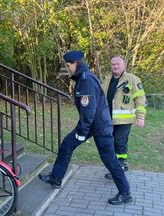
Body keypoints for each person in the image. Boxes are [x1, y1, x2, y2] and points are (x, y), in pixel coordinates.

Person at [38, 51, 132, 205]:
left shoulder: (86, 80)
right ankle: (56, 178)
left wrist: (81, 133)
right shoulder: (84, 78)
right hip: (92, 124)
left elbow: (89, 110)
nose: (68, 68)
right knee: (67, 144)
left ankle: (125, 192)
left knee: (109, 159)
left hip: (99, 127)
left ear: (76, 63)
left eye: (68, 65)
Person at [103, 55, 147, 179]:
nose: (115, 66)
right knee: (110, 143)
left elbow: (141, 99)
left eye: (117, 64)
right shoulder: (107, 79)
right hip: (108, 118)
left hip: (125, 119)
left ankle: (119, 168)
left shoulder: (133, 79)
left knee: (119, 142)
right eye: (113, 64)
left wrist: (140, 117)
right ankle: (119, 165)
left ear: (124, 65)